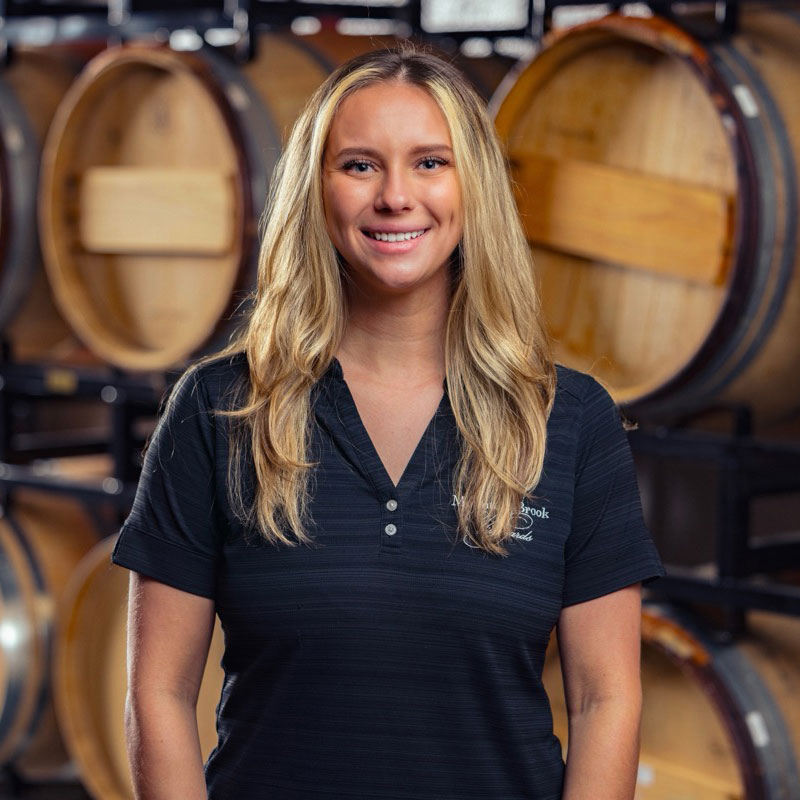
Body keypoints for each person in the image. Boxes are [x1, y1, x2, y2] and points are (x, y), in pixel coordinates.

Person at [112, 42, 666, 800]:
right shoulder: (221, 407)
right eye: (361, 164)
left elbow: (607, 701)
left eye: (431, 163)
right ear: (318, 188)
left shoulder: (568, 420)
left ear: (473, 188)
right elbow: (159, 697)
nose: (396, 196)